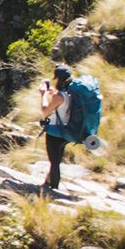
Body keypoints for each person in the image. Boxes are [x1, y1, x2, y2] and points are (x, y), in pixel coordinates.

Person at [38, 64, 75, 194]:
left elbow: (45, 111)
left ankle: (53, 190)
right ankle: (49, 182)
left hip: (55, 133)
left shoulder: (59, 96)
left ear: (58, 79)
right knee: (57, 160)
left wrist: (43, 95)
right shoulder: (71, 93)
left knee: (54, 162)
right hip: (66, 131)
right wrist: (53, 95)